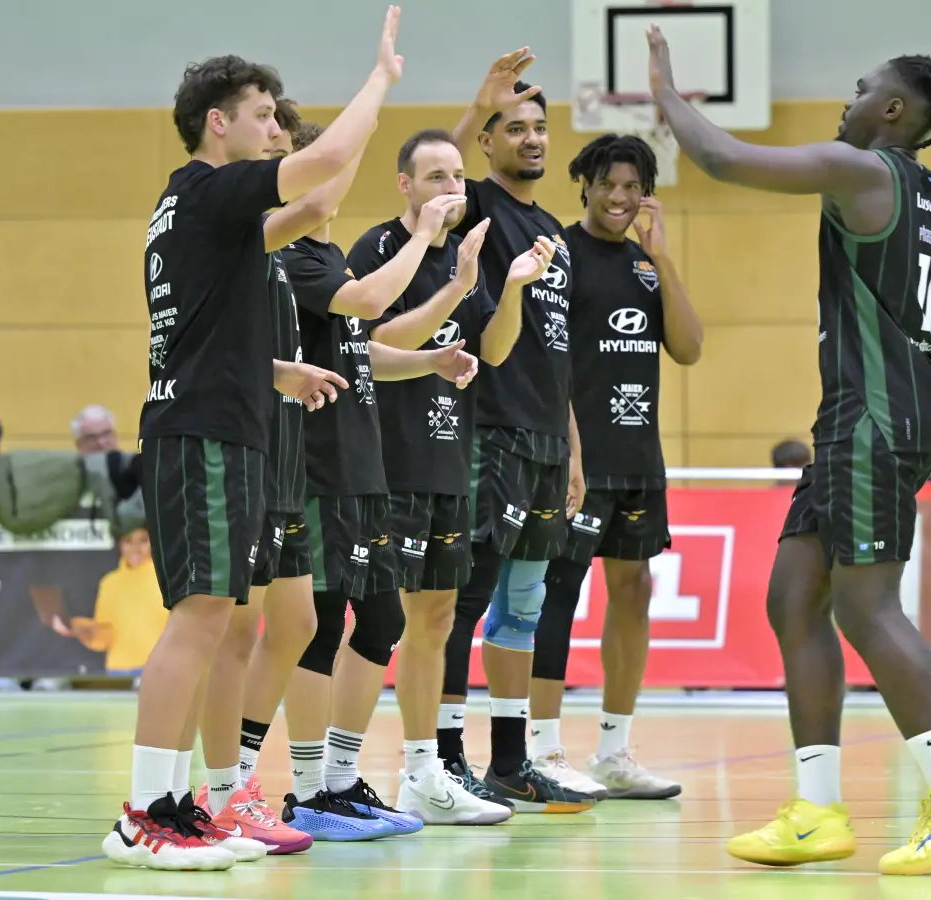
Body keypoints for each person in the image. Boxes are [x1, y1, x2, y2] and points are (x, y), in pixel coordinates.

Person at [645, 30, 931, 874]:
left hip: (872, 419)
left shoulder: (863, 170)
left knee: (865, 607)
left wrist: (663, 94)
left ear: (893, 109)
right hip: (874, 413)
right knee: (793, 597)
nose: (846, 102)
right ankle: (817, 811)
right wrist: (915, 365)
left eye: (860, 88)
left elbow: (725, 159)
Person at [108, 11, 404, 870]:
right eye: (263, 115)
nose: (275, 129)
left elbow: (205, 328)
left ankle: (181, 805)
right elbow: (320, 171)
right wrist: (381, 80)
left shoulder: (198, 214)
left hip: (214, 426)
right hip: (203, 435)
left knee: (212, 623)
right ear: (219, 122)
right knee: (200, 620)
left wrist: (276, 374)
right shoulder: (210, 191)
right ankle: (145, 815)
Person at [270, 119, 482, 842]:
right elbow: (368, 307)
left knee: (384, 620)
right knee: (322, 624)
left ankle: (340, 781)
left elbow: (363, 350)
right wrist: (427, 243)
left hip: (365, 469)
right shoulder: (293, 259)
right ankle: (306, 792)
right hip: (320, 466)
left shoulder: (327, 256)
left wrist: (431, 361)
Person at [354, 128, 551, 824]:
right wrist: (456, 287)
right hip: (391, 462)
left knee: (436, 618)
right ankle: (335, 774)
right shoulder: (379, 249)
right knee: (380, 622)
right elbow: (376, 343)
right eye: (435, 176)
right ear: (404, 184)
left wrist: (514, 287)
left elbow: (493, 350)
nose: (450, 188)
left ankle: (422, 772)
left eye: (457, 177)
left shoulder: (464, 258)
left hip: (450, 460)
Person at [188, 100, 361, 857]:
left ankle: (238, 783)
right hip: (243, 450)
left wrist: (283, 373)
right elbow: (203, 350)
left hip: (286, 455)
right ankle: (219, 791)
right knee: (230, 631)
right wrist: (377, 96)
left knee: (297, 623)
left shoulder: (281, 257)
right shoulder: (249, 241)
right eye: (269, 137)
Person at [429, 52, 595, 814]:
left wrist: (573, 450)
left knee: (524, 604)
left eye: (539, 128)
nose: (531, 139)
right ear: (488, 143)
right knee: (464, 601)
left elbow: (557, 352)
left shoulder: (553, 230)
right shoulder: (479, 208)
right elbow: (438, 182)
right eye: (514, 128)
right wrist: (477, 103)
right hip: (489, 432)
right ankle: (441, 760)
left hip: (545, 440)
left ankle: (509, 762)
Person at [527, 134, 702, 801]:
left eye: (633, 187)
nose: (620, 197)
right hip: (576, 460)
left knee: (634, 592)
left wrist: (664, 259)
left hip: (637, 459)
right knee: (558, 595)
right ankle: (542, 750)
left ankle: (613, 752)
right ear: (586, 186)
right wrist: (565, 448)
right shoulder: (560, 256)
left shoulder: (647, 266)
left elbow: (688, 347)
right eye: (608, 184)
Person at [53, 527, 170, 676]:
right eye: (128, 541)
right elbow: (104, 637)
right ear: (119, 544)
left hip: (160, 670)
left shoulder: (168, 579)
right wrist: (77, 628)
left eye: (143, 541)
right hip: (118, 671)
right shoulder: (109, 583)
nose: (135, 549)